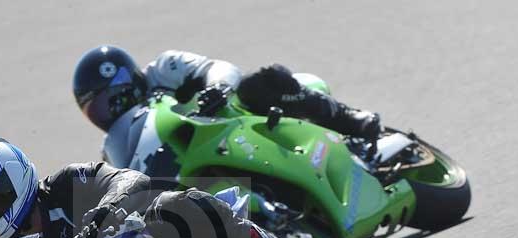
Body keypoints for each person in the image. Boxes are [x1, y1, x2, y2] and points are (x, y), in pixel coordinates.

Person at [0, 139, 321, 238]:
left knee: (174, 204)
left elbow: (126, 179)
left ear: (16, 179)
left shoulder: (64, 185)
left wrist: (104, 211)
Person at [72, 45, 381, 140]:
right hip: (201, 158)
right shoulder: (116, 144)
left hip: (239, 122)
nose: (113, 112)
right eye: (99, 110)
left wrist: (218, 87)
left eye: (117, 99)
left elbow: (221, 68)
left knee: (258, 84)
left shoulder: (165, 68)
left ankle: (347, 117)